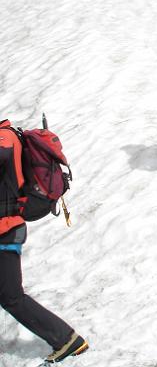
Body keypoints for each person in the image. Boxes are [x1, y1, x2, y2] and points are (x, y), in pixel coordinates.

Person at [0, 120, 88, 364]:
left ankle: (65, 339)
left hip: (5, 230)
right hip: (5, 227)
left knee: (11, 296)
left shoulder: (5, 138)